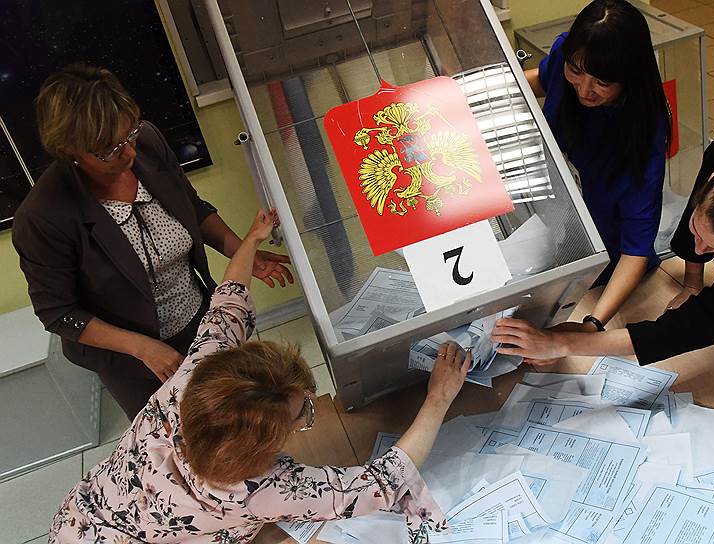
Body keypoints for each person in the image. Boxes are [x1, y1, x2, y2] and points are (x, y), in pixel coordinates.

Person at [49, 209, 470, 544]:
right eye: (302, 414)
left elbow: (226, 307)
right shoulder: (252, 489)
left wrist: (251, 239)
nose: (310, 411)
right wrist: (439, 397)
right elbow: (378, 484)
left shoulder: (195, 379)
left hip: (80, 519)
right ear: (261, 448)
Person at [13, 64, 294, 419]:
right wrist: (143, 348)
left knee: (242, 417)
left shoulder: (147, 142)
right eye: (109, 150)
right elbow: (59, 313)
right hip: (134, 358)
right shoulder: (43, 217)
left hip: (198, 319)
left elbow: (191, 207)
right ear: (70, 149)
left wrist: (243, 252)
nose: (129, 153)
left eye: (128, 135)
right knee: (181, 435)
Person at [493, 127, 714, 381]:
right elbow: (692, 235)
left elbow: (700, 324)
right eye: (697, 229)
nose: (698, 250)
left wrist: (566, 343)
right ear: (711, 181)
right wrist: (692, 283)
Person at [524, 0, 672, 332]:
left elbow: (635, 251)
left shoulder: (644, 133)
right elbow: (543, 79)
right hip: (561, 226)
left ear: (629, 78)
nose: (585, 90)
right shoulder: (571, 54)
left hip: (607, 260)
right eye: (576, 72)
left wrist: (591, 326)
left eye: (602, 82)